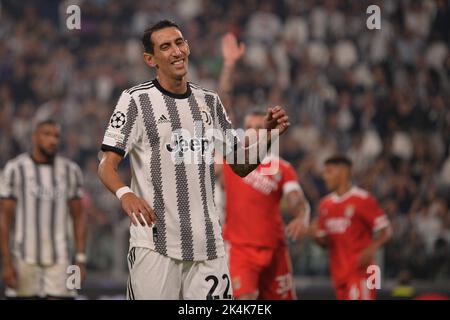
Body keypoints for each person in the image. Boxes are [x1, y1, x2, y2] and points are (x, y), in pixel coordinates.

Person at [97, 20, 291, 300]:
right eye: (165, 47)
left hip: (208, 247)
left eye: (180, 42)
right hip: (155, 244)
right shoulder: (136, 100)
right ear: (150, 59)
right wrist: (125, 194)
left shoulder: (209, 101)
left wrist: (268, 136)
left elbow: (239, 164)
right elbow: (106, 164)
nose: (177, 51)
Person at [222, 109, 310, 300]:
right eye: (248, 128)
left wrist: (302, 215)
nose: (252, 132)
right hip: (240, 248)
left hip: (275, 250)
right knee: (245, 299)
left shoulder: (282, 167)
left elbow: (296, 198)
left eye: (257, 128)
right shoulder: (231, 159)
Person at [0, 119, 87, 299]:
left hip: (61, 258)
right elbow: (4, 218)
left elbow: (79, 217)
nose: (53, 140)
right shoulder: (15, 169)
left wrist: (80, 259)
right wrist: (6, 262)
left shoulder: (71, 171)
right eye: (47, 134)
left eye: (56, 136)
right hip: (23, 257)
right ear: (34, 137)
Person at [310, 155, 392, 300]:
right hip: (339, 274)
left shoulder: (363, 199)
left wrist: (372, 248)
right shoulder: (325, 204)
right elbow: (326, 244)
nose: (325, 177)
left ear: (344, 172)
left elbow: (387, 231)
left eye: (329, 171)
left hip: (363, 273)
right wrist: (314, 236)